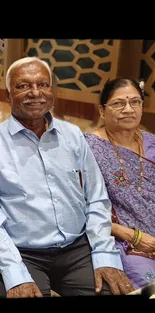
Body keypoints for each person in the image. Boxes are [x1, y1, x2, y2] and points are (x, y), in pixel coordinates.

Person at [0, 58, 134, 298]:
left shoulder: (72, 135)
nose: (35, 93)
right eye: (23, 86)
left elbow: (96, 198)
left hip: (77, 248)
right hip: (21, 252)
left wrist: (104, 256)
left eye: (43, 84)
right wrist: (14, 271)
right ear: (9, 95)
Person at [85, 78, 155, 290]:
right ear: (102, 111)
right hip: (125, 241)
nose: (128, 109)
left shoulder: (152, 142)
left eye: (135, 102)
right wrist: (133, 236)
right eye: (118, 103)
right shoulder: (87, 148)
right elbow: (79, 207)